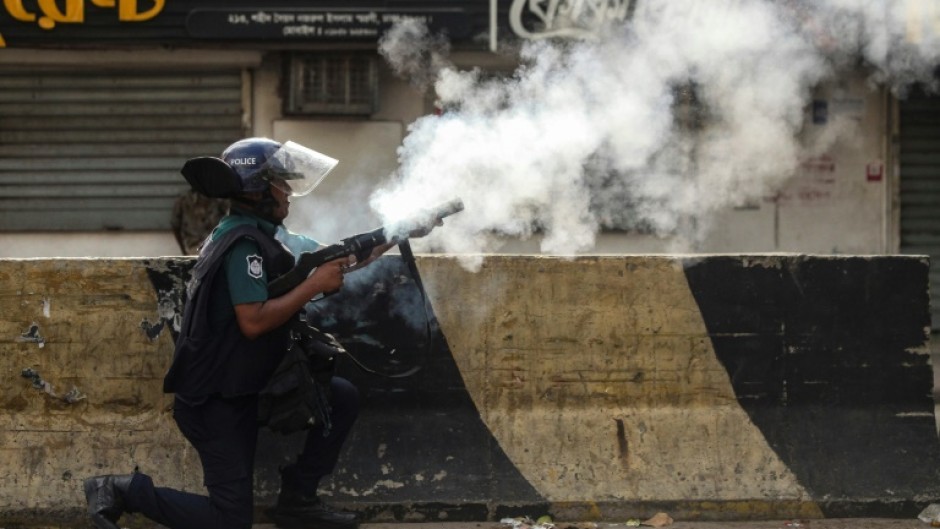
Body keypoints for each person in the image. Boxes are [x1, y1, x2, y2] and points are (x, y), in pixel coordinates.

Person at [82, 137, 438, 529]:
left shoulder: (262, 235)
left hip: (247, 385)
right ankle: (121, 490)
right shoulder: (243, 245)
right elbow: (253, 321)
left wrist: (401, 230)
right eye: (281, 184)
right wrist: (313, 285)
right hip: (215, 401)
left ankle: (298, 500)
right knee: (230, 521)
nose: (288, 194)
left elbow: (341, 257)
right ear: (258, 191)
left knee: (340, 397)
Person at [170, 190, 230, 255]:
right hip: (194, 247)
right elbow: (175, 224)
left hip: (215, 246)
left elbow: (229, 218)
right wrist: (184, 251)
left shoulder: (220, 200)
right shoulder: (184, 200)